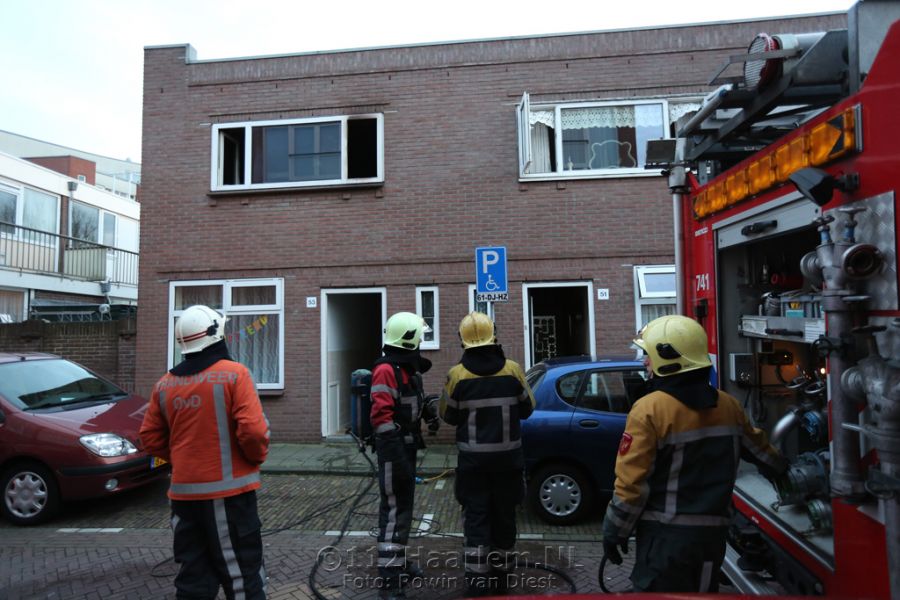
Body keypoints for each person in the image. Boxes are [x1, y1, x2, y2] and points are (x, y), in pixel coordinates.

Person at [601, 314, 787, 593]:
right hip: (712, 541)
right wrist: (788, 474)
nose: (644, 362)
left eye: (647, 355)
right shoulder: (729, 406)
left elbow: (631, 486)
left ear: (668, 358)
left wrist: (615, 531)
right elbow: (764, 454)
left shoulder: (649, 409)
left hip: (665, 541)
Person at [140, 305, 270, 600]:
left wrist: (182, 457)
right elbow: (254, 433)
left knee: (193, 581)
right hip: (231, 498)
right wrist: (253, 458)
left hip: (184, 500)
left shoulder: (164, 385)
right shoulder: (235, 375)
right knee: (241, 577)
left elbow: (149, 437)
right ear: (217, 334)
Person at [439, 312, 535, 597]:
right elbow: (528, 408)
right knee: (505, 517)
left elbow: (447, 415)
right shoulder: (513, 370)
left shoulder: (457, 375)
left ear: (463, 341)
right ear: (495, 335)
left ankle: (477, 580)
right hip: (508, 464)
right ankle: (502, 576)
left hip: (472, 466)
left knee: (476, 519)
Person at [370, 311, 438, 599]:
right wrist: (396, 455)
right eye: (419, 336)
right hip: (393, 452)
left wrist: (430, 412)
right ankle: (389, 579)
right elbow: (381, 417)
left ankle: (397, 563)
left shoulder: (409, 370)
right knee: (394, 513)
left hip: (406, 449)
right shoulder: (386, 370)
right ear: (409, 339)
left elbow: (412, 405)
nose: (422, 340)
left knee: (403, 512)